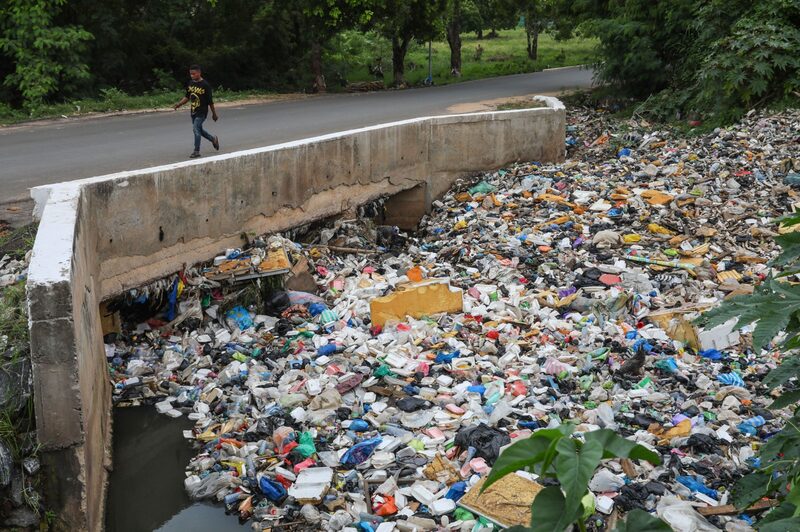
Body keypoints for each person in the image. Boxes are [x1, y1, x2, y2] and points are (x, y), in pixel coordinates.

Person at [173, 64, 219, 158]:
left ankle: (196, 151)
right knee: (199, 130)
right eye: (191, 74)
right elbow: (187, 97)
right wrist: (179, 104)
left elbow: (210, 102)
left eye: (194, 74)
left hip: (202, 112)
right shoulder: (191, 83)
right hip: (193, 110)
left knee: (195, 129)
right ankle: (213, 139)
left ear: (199, 73)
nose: (192, 76)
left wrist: (214, 114)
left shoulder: (205, 85)